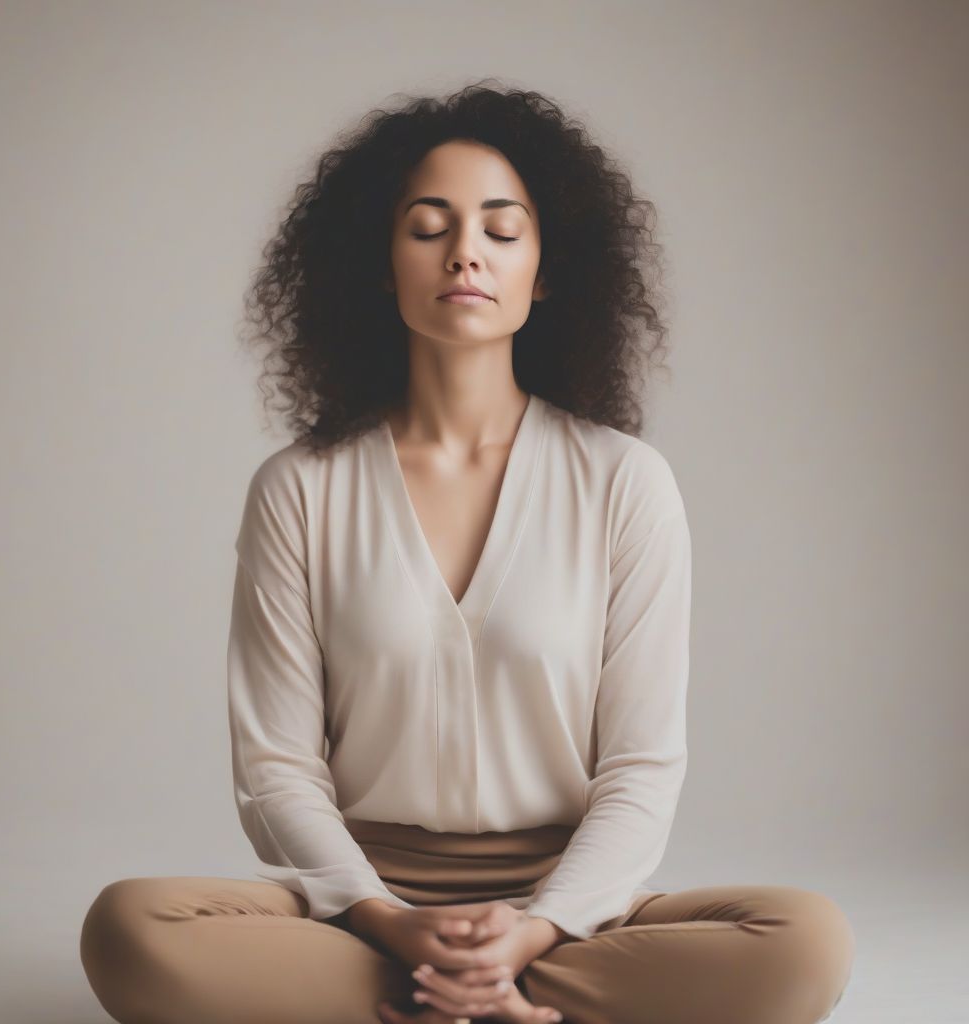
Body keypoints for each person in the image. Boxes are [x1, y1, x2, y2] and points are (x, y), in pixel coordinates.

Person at [79, 80, 855, 1024]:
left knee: (805, 942)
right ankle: (491, 1000)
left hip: (571, 904)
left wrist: (536, 928)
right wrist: (392, 921)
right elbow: (277, 767)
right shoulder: (301, 487)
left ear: (547, 267)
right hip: (356, 904)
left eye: (501, 228)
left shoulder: (624, 481)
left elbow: (642, 767)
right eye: (427, 226)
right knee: (130, 928)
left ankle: (443, 997)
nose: (465, 254)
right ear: (380, 264)